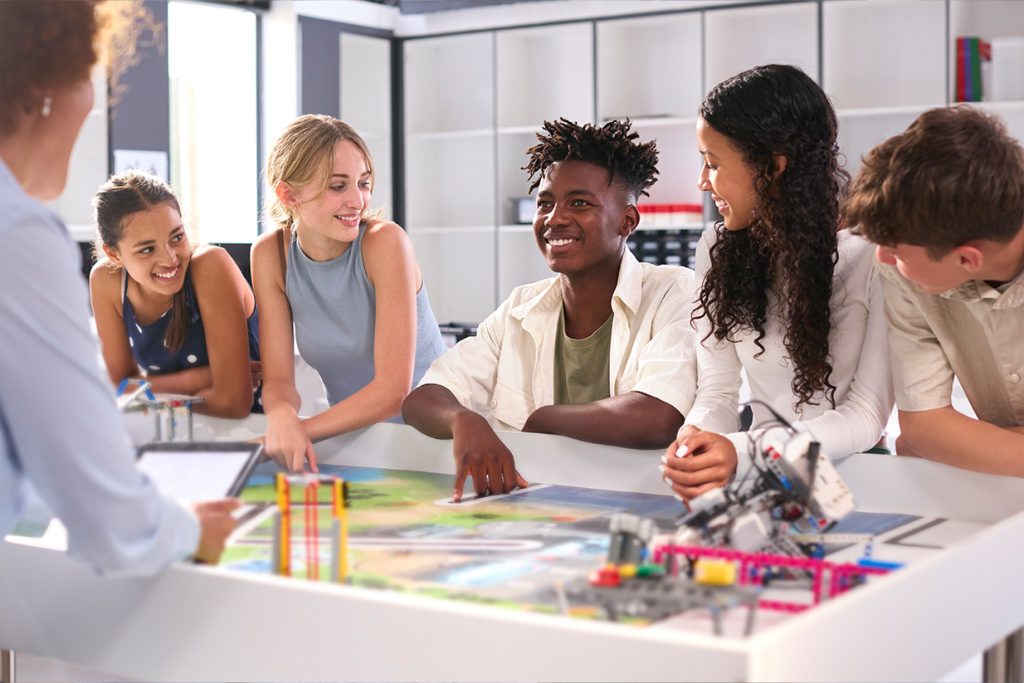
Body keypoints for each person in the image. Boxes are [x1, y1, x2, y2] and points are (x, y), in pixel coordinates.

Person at [0, 0, 238, 574]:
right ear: (44, 88)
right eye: (90, 77)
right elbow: (106, 513)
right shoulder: (18, 235)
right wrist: (189, 528)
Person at [403, 118, 697, 502]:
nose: (554, 218)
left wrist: (542, 420)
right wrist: (463, 419)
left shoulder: (675, 292)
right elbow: (422, 400)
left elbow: (657, 417)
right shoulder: (520, 309)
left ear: (627, 221)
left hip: (646, 505)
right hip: (544, 512)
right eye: (545, 204)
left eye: (579, 203)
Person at [662, 64, 893, 502]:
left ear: (773, 167)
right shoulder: (717, 247)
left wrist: (743, 450)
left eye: (713, 163)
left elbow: (865, 417)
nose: (701, 181)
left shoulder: (872, 257)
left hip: (857, 480)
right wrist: (695, 439)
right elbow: (718, 394)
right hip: (758, 476)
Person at [252, 115, 447, 473]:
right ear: (288, 194)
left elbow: (393, 392)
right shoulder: (270, 256)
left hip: (435, 440)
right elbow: (279, 380)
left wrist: (298, 431)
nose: (358, 200)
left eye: (364, 183)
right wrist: (281, 417)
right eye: (338, 186)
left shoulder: (385, 243)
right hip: (354, 443)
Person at [843, 106, 1024, 476]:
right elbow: (925, 430)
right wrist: (940, 440)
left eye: (894, 251)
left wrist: (967, 445)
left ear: (967, 259)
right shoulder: (905, 274)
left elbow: (930, 440)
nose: (882, 259)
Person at [90, 171, 262, 418]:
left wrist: (150, 394)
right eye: (147, 249)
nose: (170, 259)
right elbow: (121, 389)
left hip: (254, 439)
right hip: (174, 440)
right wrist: (199, 379)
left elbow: (233, 403)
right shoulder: (107, 280)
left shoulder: (210, 265)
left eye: (177, 237)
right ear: (114, 254)